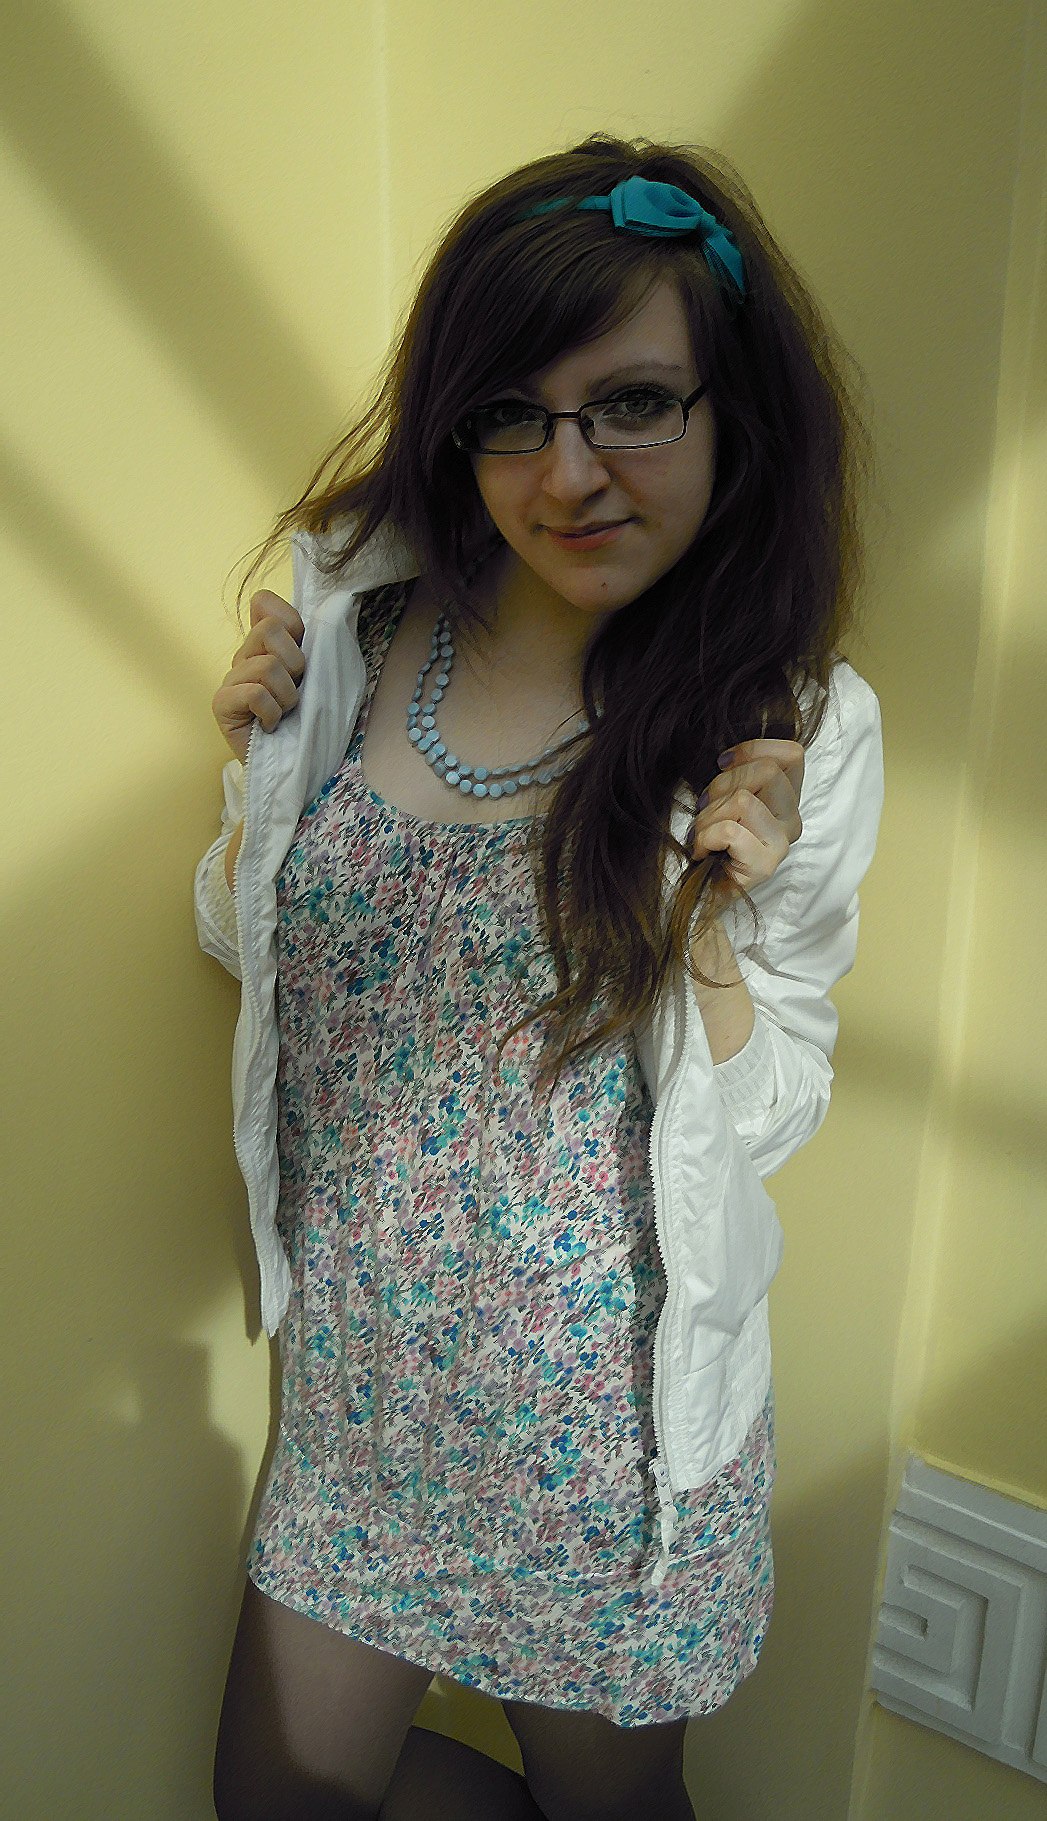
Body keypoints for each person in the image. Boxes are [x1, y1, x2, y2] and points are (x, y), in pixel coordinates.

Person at [195, 134, 884, 1821]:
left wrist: (711, 926)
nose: (568, 472)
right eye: (515, 412)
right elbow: (263, 952)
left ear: (730, 413)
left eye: (633, 404)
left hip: (602, 1447)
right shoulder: (361, 634)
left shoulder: (789, 723)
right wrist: (256, 769)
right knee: (273, 1797)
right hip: (362, 1407)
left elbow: (779, 1103)